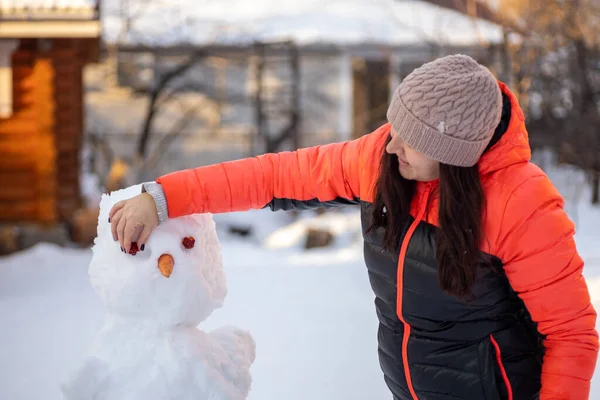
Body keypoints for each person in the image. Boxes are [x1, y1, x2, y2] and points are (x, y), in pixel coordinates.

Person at [109, 55, 598, 399]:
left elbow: (572, 335)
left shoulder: (520, 203)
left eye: (411, 139)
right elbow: (275, 175)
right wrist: (165, 195)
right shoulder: (384, 162)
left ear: (454, 155)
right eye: (394, 127)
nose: (391, 145)